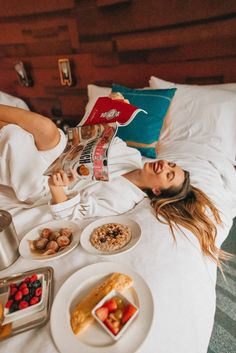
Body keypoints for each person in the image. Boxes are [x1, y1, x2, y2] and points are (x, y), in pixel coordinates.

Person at [0, 101, 226, 266]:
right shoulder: (133, 158)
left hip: (50, 183)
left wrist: (58, 189)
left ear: (156, 190)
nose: (164, 166)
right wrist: (113, 108)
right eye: (171, 166)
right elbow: (103, 138)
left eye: (168, 175)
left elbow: (76, 215)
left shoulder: (124, 199)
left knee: (14, 135)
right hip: (64, 156)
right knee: (45, 129)